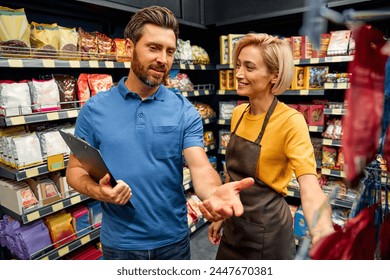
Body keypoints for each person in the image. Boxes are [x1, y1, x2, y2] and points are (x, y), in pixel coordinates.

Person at [65, 5, 253, 260]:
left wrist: (213, 193)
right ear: (130, 48)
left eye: (169, 51)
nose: (163, 59)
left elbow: (199, 167)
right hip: (120, 244)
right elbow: (75, 172)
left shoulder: (183, 110)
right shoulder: (94, 109)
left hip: (173, 242)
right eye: (153, 48)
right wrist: (100, 192)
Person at [203, 33, 335, 259]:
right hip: (234, 226)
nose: (239, 74)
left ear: (274, 75)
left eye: (249, 67)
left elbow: (310, 187)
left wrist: (323, 232)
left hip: (269, 233)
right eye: (238, 65)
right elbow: (232, 178)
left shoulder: (290, 121)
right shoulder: (238, 114)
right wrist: (222, 215)